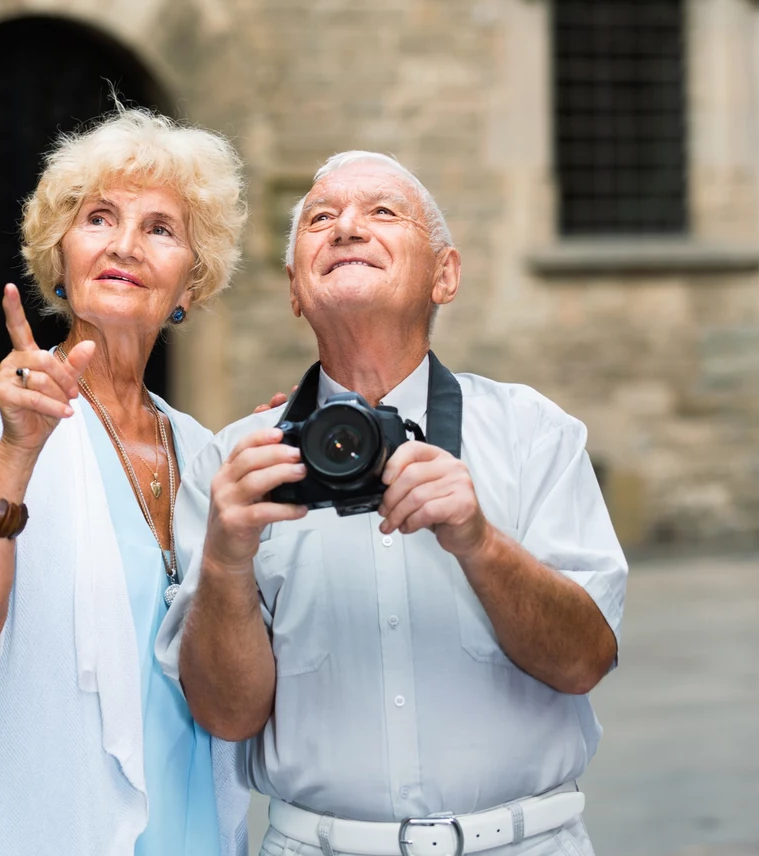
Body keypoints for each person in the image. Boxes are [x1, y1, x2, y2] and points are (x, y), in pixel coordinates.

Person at [157, 152, 628, 856]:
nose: (347, 227)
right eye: (321, 218)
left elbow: (584, 661)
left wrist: (478, 541)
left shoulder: (534, 435)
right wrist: (225, 560)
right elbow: (227, 715)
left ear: (446, 274)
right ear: (294, 288)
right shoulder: (235, 467)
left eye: (383, 212)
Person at [0, 108, 253, 856]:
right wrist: (17, 454)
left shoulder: (205, 453)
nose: (124, 244)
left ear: (192, 280)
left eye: (160, 228)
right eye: (99, 218)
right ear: (61, 260)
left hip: (191, 831)